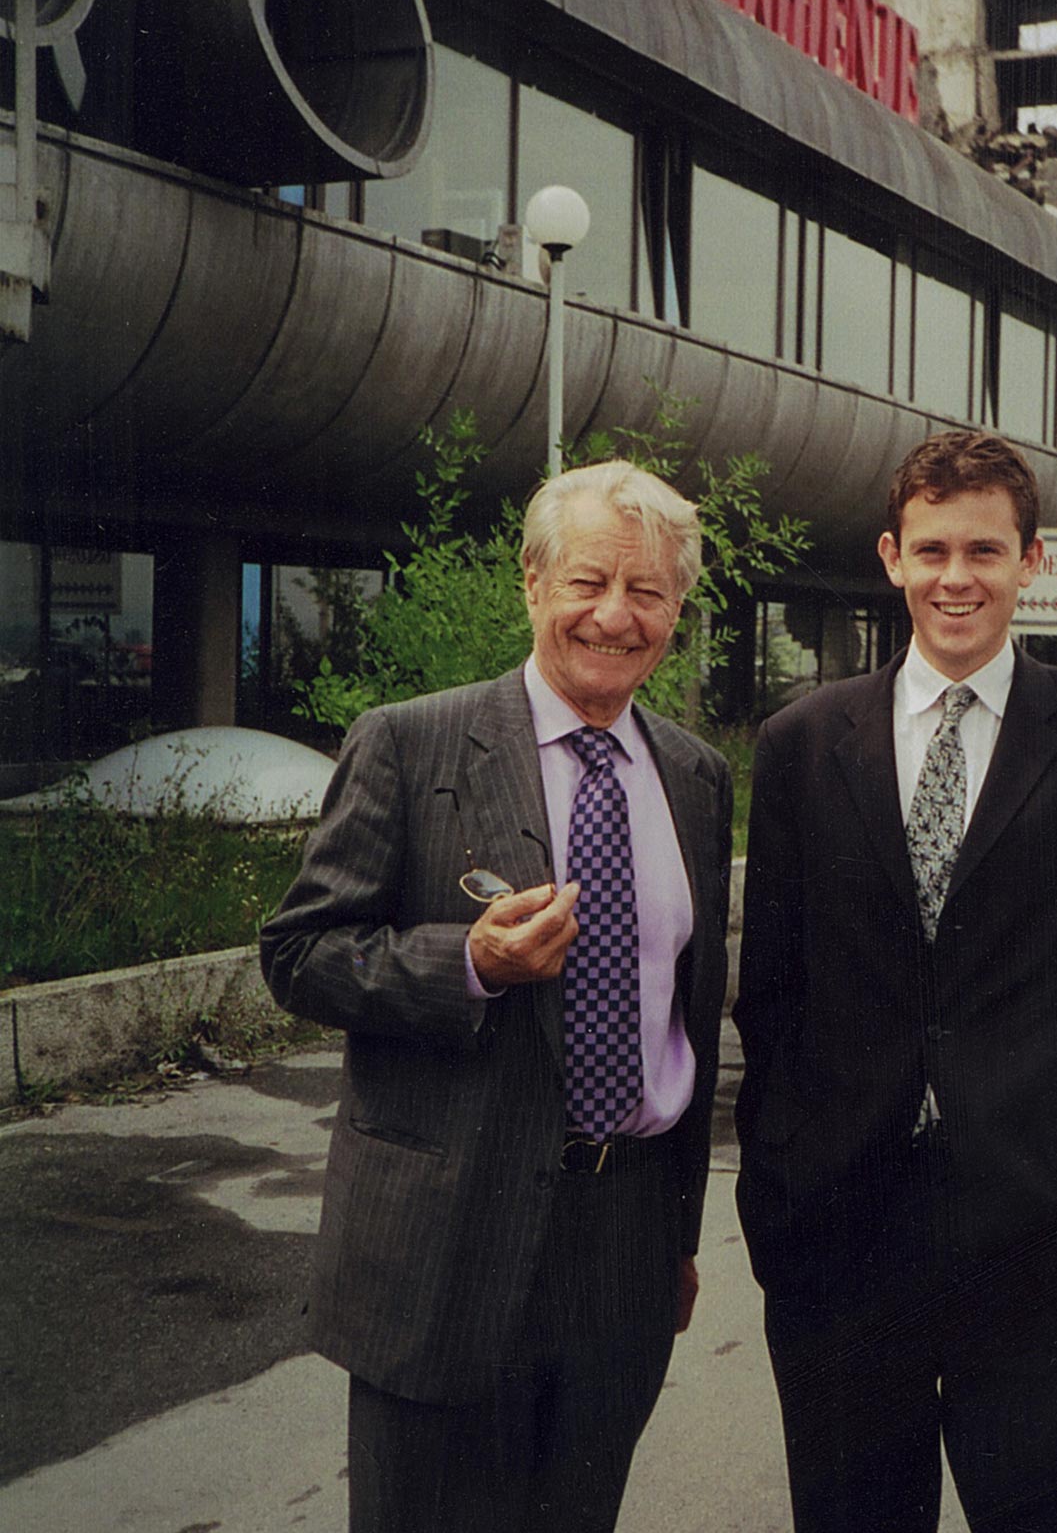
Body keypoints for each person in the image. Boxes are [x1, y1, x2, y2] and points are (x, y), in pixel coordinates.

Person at [734, 429, 1057, 1533]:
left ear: (1031, 561)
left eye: (984, 551)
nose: (956, 577)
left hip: (1051, 1238)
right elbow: (772, 991)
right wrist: (781, 1185)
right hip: (845, 1235)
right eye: (932, 548)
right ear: (891, 555)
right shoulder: (801, 742)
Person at [260, 459, 733, 1533]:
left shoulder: (697, 777)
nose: (616, 614)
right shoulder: (411, 740)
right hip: (447, 1241)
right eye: (588, 581)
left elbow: (686, 1020)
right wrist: (464, 960)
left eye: (648, 591)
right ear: (532, 582)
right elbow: (297, 953)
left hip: (624, 1235)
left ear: (676, 611)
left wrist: (676, 1235)